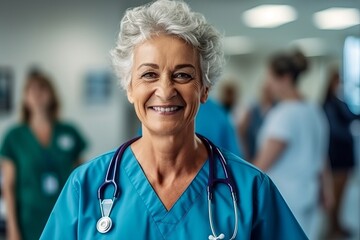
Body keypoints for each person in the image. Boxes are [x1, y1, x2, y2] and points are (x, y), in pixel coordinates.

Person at [41, 1, 307, 239]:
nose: (166, 91)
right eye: (149, 75)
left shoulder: (251, 190)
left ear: (204, 89)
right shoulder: (85, 187)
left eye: (183, 75)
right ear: (129, 87)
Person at [0, 69, 87, 240]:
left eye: (42, 89)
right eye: (31, 90)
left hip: (66, 214)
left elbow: (82, 177)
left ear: (52, 95)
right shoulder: (14, 136)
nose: (37, 94)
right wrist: (12, 228)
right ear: (25, 98)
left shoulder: (69, 132)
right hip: (28, 220)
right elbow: (8, 187)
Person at [254, 50, 328, 239]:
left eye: (270, 77)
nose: (267, 84)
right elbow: (321, 157)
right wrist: (326, 189)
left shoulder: (284, 115)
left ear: (285, 78)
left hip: (285, 199)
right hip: (308, 194)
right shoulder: (313, 109)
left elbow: (261, 165)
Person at [323, 68, 357, 239]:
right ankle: (332, 226)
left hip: (345, 154)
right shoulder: (329, 104)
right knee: (334, 195)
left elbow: (352, 116)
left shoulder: (340, 102)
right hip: (337, 155)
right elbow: (335, 130)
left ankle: (337, 224)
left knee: (342, 194)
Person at [238, 81, 274, 161]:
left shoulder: (276, 109)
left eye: (269, 92)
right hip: (251, 152)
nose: (266, 94)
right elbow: (241, 131)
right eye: (265, 91)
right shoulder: (252, 109)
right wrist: (245, 153)